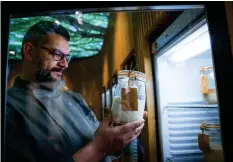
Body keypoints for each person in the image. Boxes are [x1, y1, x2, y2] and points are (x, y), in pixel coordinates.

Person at [5, 21, 147, 162]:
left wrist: (119, 133)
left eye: (66, 57)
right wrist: (97, 148)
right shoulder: (7, 106)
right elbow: (100, 145)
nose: (65, 64)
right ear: (29, 51)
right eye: (56, 54)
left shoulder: (76, 99)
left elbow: (106, 145)